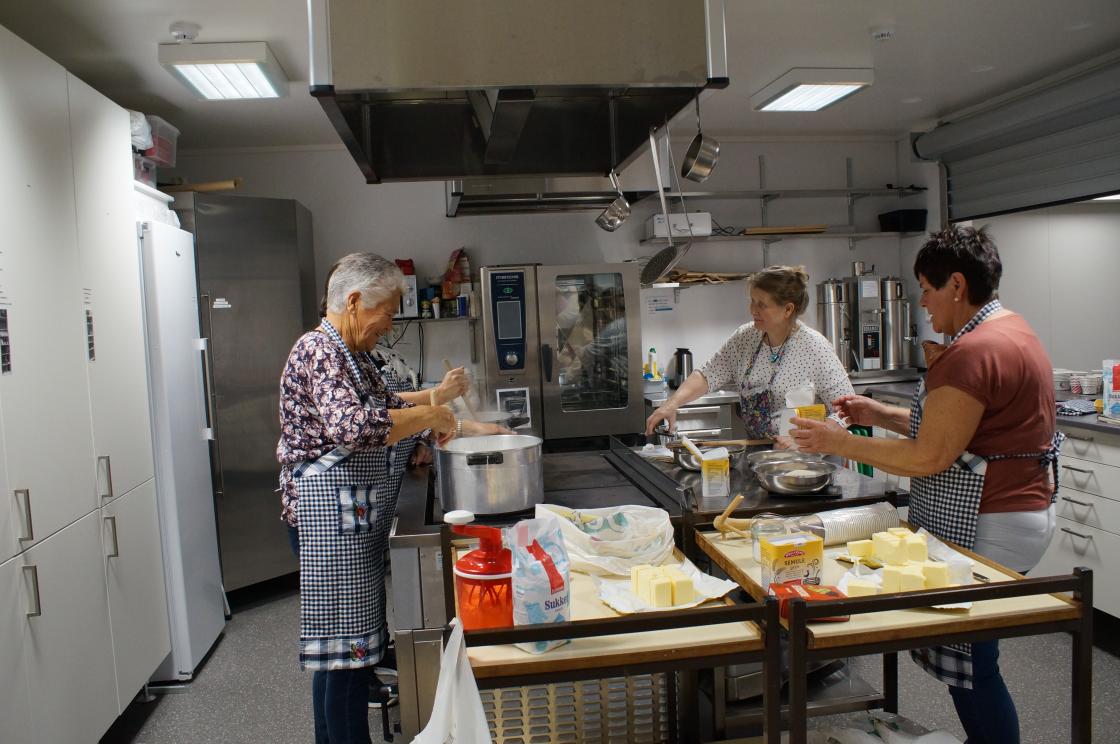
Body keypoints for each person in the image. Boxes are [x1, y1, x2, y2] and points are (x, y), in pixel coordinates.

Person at [789, 225, 1063, 744]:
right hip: (1023, 512)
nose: (923, 302)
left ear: (957, 285)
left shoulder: (973, 351)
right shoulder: (1013, 330)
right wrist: (877, 414)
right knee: (976, 657)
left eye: (927, 288)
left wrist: (839, 441)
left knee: (974, 666)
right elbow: (955, 431)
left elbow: (930, 455)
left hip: (990, 519)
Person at [277, 252, 462, 744]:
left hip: (345, 519)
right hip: (326, 521)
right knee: (345, 661)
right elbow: (355, 427)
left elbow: (388, 405)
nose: (390, 324)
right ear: (356, 301)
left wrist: (433, 407)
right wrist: (431, 416)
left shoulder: (351, 353)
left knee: (340, 658)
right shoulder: (319, 350)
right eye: (388, 310)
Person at [645, 265, 853, 443]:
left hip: (810, 462)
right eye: (752, 301)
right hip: (763, 456)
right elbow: (708, 375)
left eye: (762, 304)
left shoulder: (814, 347)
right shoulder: (746, 337)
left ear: (788, 309)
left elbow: (847, 411)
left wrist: (805, 439)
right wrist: (671, 404)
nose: (753, 309)